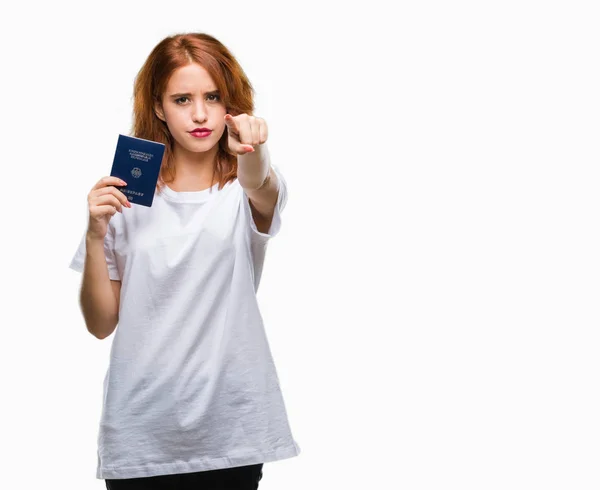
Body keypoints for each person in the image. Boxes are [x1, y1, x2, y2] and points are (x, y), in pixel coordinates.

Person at [68, 32, 301, 489]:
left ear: (230, 105)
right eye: (182, 99)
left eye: (212, 97)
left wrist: (252, 150)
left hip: (230, 431)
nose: (199, 114)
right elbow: (100, 324)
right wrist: (96, 235)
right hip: (140, 435)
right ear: (159, 107)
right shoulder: (125, 198)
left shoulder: (243, 192)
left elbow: (260, 184)